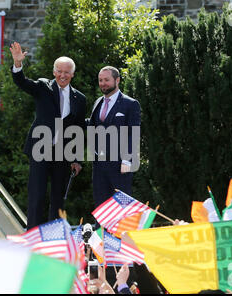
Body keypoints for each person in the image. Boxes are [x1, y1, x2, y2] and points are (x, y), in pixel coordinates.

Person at [9, 42, 86, 229]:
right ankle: (33, 237)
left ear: (72, 74)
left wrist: (76, 159)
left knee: (58, 197)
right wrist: (18, 65)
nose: (62, 75)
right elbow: (22, 82)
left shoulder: (80, 98)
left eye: (67, 72)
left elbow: (78, 130)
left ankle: (54, 237)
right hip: (41, 149)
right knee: (37, 195)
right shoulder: (43, 87)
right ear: (54, 72)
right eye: (59, 71)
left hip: (62, 153)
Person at [88, 66, 141, 209]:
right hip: (99, 165)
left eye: (106, 80)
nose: (103, 83)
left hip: (120, 165)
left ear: (117, 80)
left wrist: (127, 160)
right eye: (100, 80)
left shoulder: (130, 104)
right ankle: (102, 232)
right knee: (101, 207)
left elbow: (133, 133)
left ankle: (121, 233)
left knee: (122, 206)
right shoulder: (98, 102)